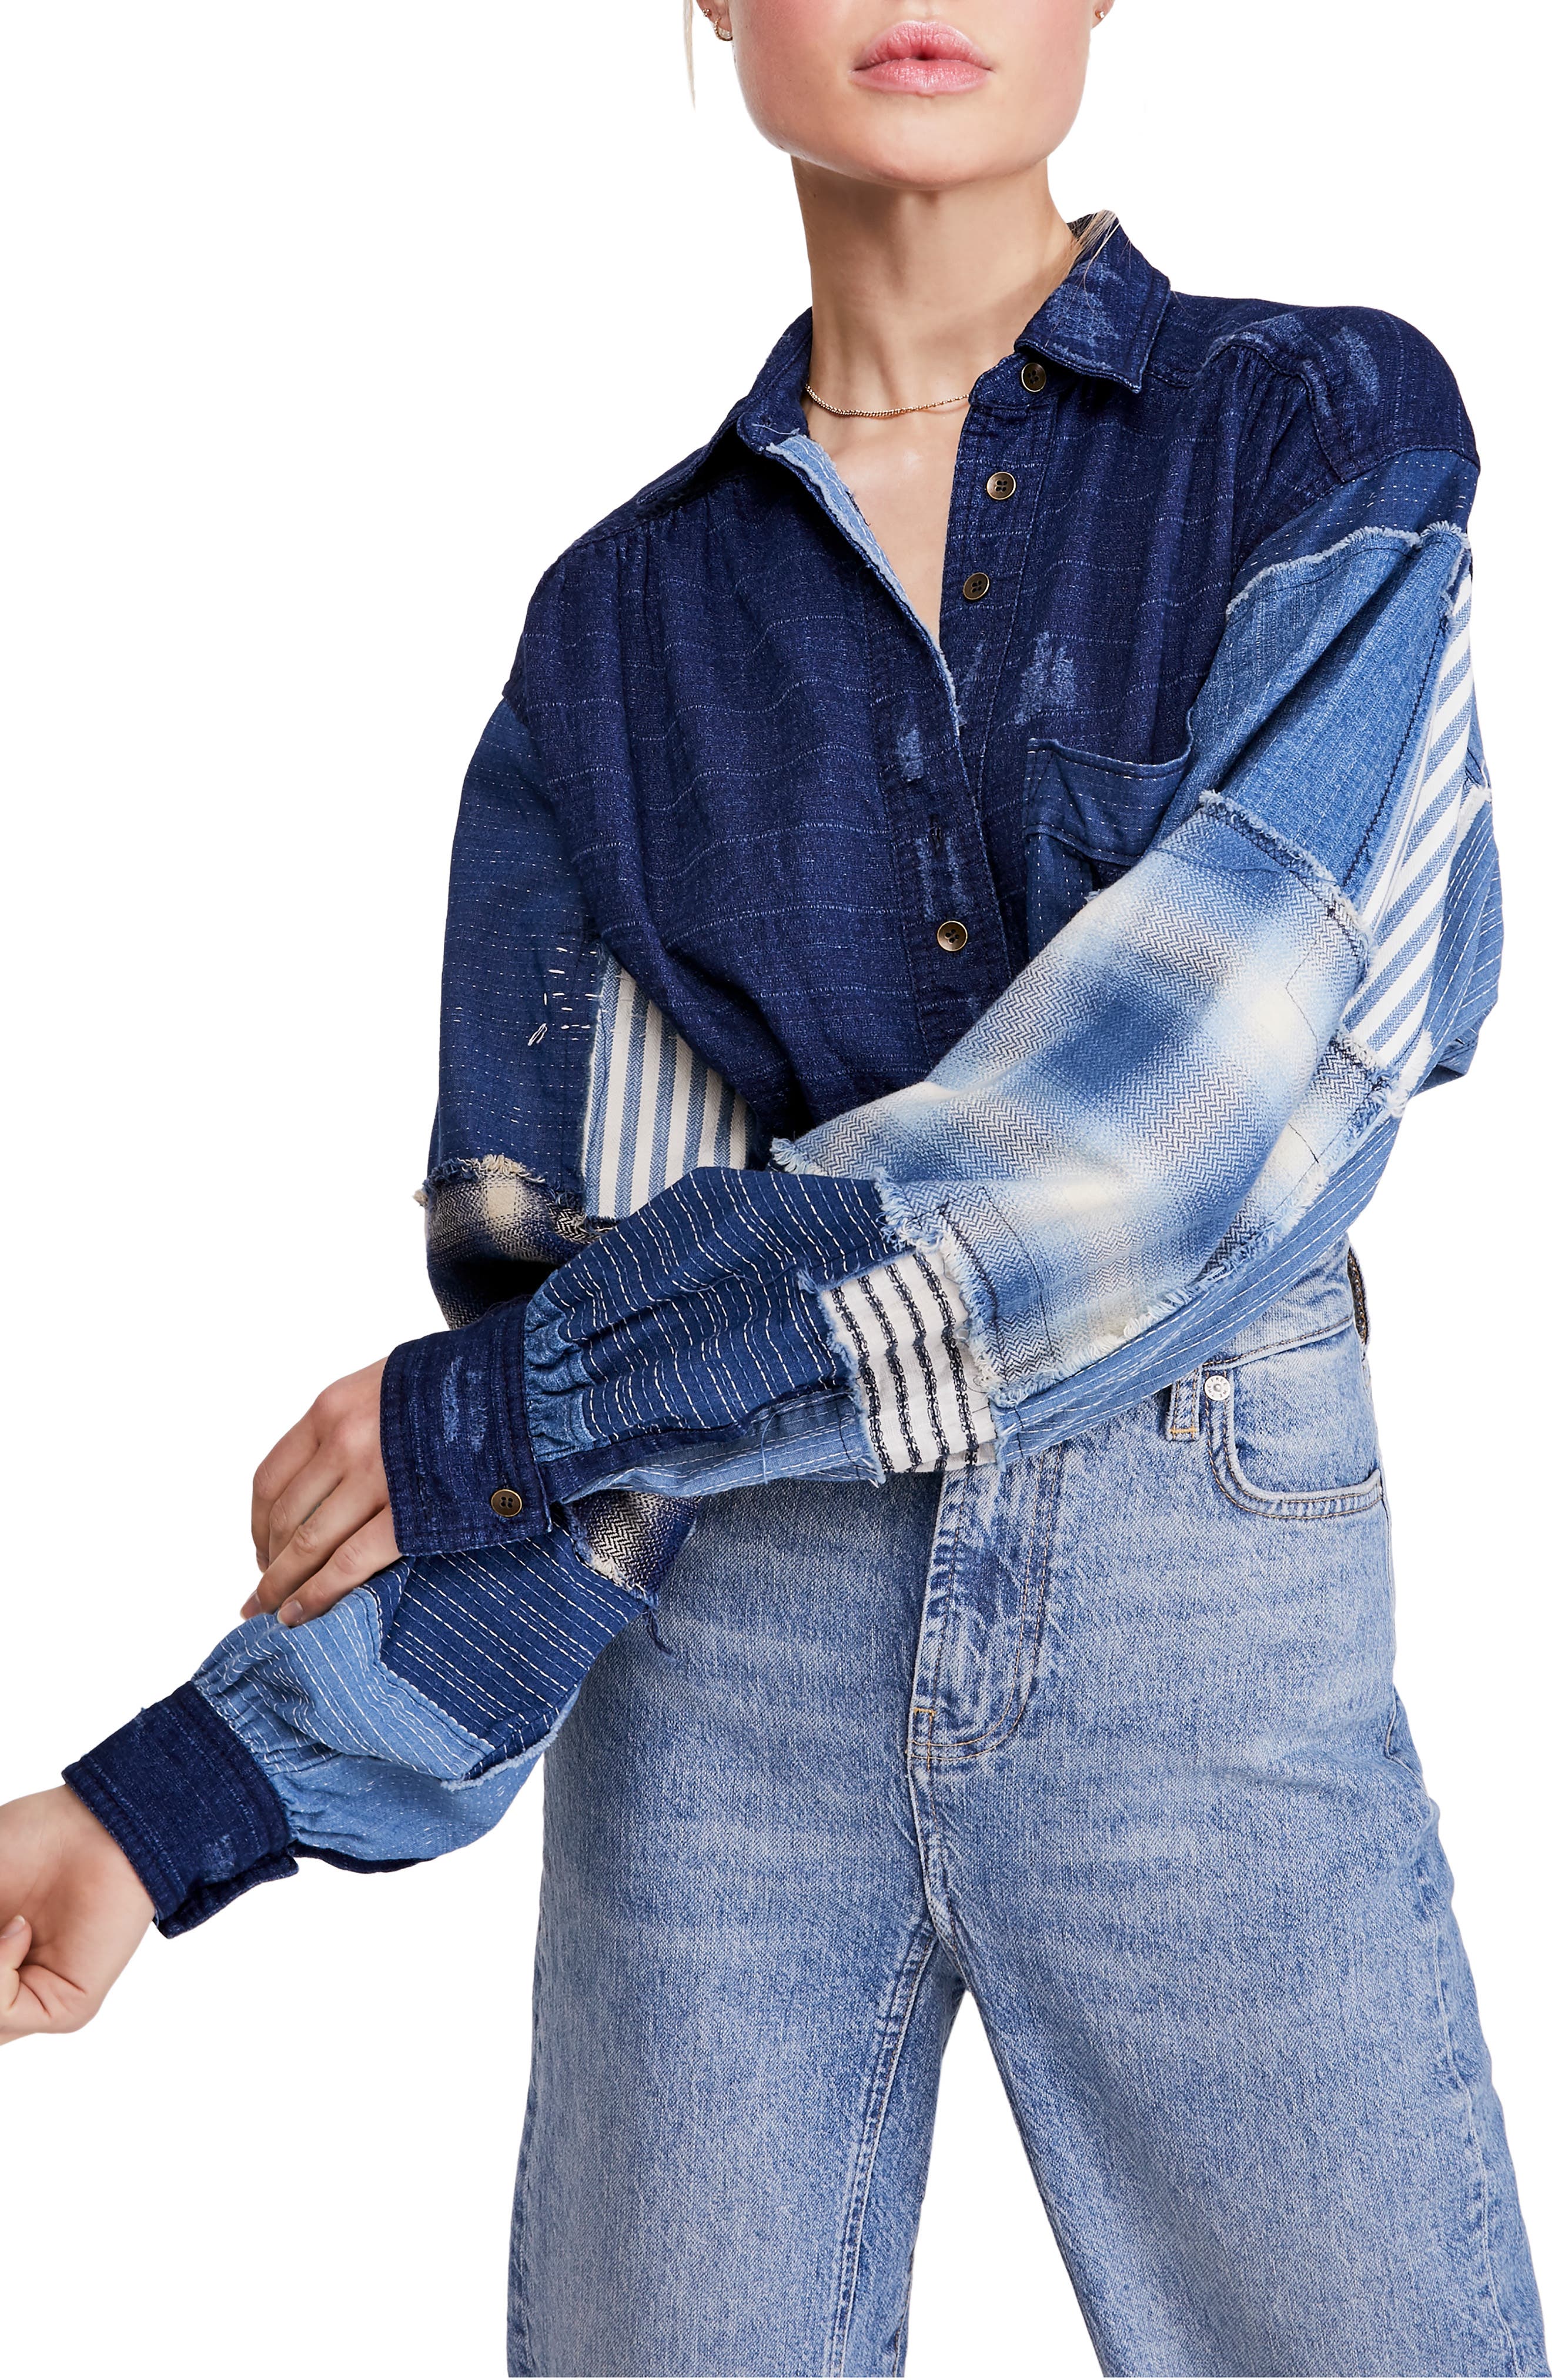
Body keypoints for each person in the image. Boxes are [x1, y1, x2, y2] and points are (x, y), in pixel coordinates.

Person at [1, 3, 1543, 2373]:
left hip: (1195, 1612)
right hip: (723, 1657)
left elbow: (1166, 1127)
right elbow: (571, 1373)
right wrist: (177, 1797)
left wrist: (514, 1405)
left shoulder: (1320, 435)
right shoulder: (612, 636)